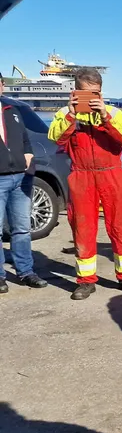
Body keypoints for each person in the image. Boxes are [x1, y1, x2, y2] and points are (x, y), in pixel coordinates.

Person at [48, 68, 122, 300]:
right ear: (75, 91)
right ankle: (86, 281)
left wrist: (105, 117)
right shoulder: (63, 114)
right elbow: (55, 139)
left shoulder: (113, 112)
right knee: (83, 229)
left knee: (120, 228)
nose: (92, 98)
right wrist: (71, 116)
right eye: (86, 93)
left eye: (96, 93)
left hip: (113, 175)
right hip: (81, 176)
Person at [0, 73, 48, 294]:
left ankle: (26, 272)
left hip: (21, 178)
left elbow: (25, 139)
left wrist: (28, 153)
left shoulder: (13, 111)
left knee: (22, 229)